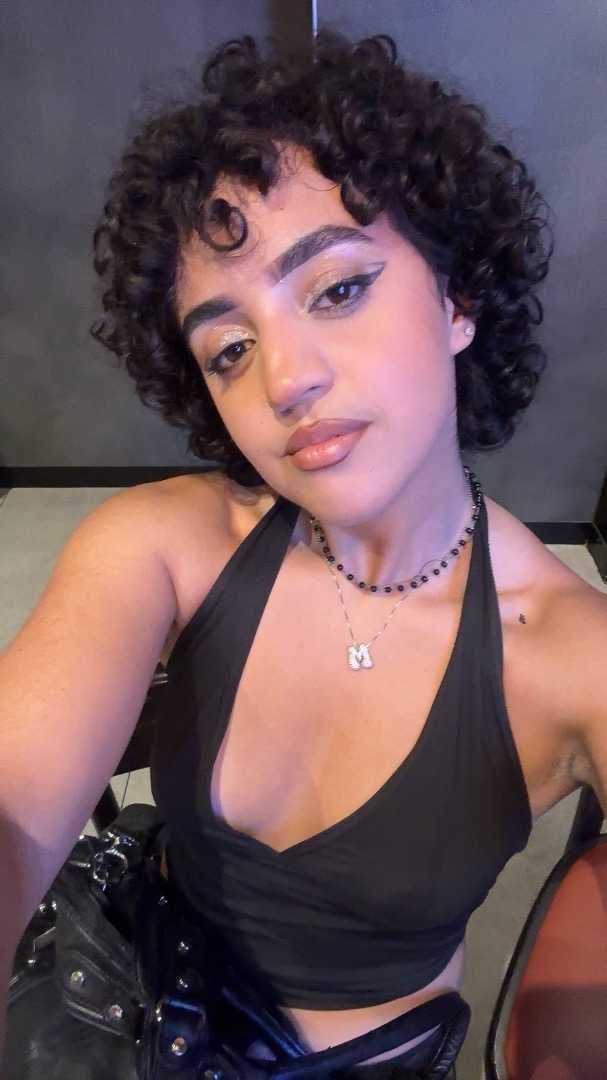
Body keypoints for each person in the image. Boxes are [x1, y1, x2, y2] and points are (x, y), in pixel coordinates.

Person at [1, 29, 606, 1078]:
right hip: (145, 1004)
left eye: (335, 290)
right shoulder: (162, 543)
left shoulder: (573, 655)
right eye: (229, 348)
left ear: (456, 300)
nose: (284, 380)